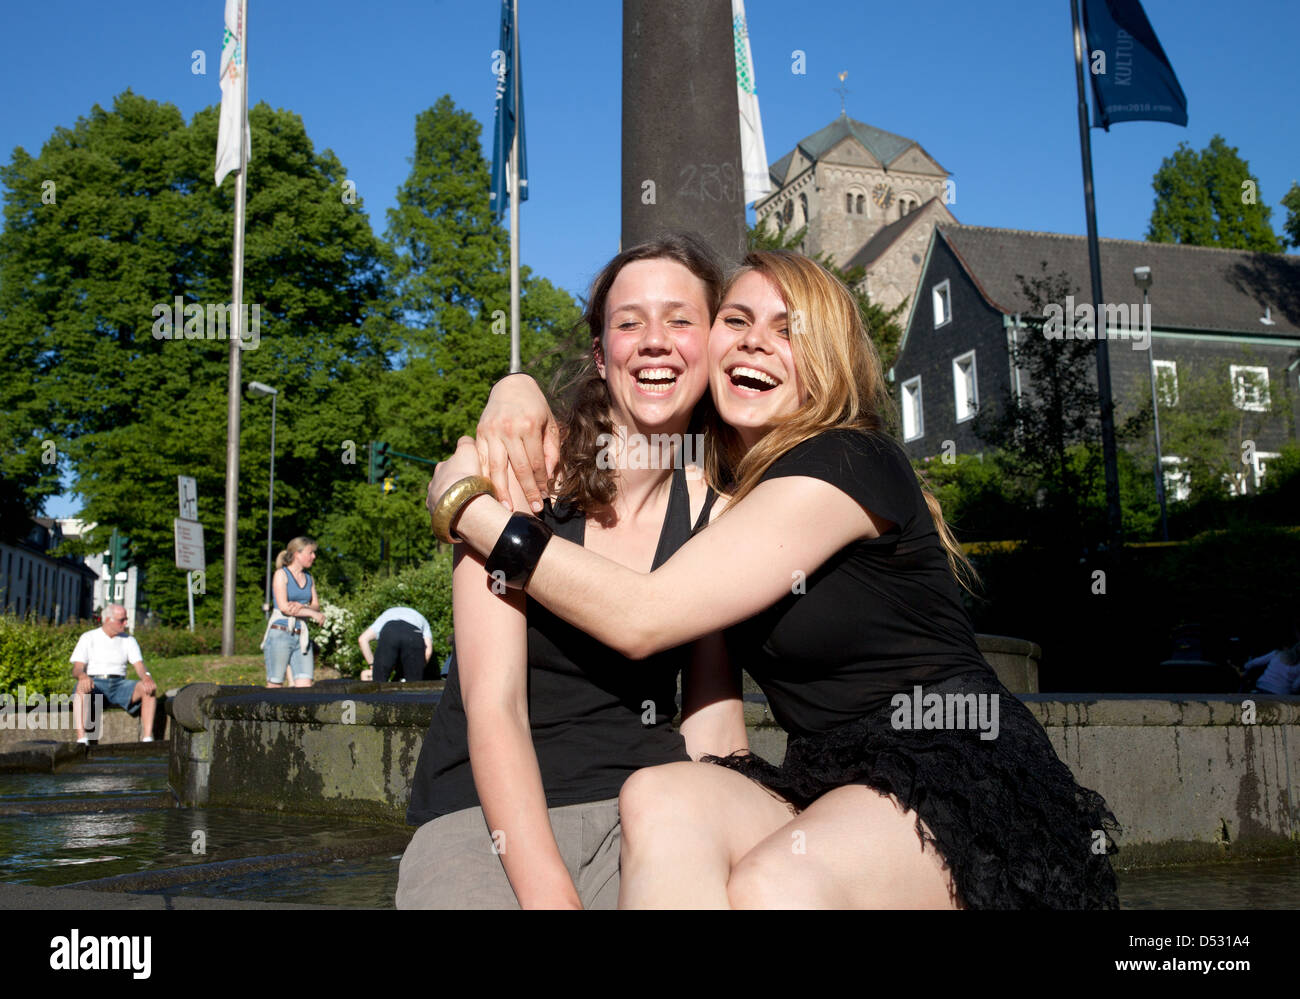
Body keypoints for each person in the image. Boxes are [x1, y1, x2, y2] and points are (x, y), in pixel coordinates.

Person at [428, 250, 1121, 909]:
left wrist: (470, 511)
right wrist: (513, 386)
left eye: (788, 331)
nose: (756, 341)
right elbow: (714, 714)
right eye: (738, 321)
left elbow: (643, 614)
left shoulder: (846, 461)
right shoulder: (724, 497)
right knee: (660, 797)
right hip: (830, 780)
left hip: (949, 772)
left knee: (773, 880)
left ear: (824, 366)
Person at [397, 234, 746, 910]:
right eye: (628, 322)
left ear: (713, 346)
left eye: (680, 319)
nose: (654, 340)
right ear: (599, 354)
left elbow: (711, 718)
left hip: (646, 812)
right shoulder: (512, 476)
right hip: (484, 819)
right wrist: (550, 894)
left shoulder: (719, 514)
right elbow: (494, 707)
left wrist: (736, 828)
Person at [71, 603, 157, 744]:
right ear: (107, 620)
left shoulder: (129, 640)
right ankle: (82, 738)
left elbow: (139, 666)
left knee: (148, 688)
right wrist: (83, 676)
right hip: (95, 683)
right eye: (121, 620)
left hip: (120, 684)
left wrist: (147, 677)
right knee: (81, 687)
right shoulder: (88, 637)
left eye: (125, 619)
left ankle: (147, 738)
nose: (125, 623)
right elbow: (77, 668)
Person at [264, 537, 323, 689]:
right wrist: (311, 613)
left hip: (301, 635)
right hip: (280, 633)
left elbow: (315, 604)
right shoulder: (281, 574)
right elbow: (284, 607)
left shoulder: (309, 578)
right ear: (297, 554)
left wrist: (303, 607)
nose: (314, 557)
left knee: (305, 685)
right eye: (311, 553)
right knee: (275, 683)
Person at [359, 606, 433, 682]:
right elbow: (428, 651)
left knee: (378, 682)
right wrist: (418, 668)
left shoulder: (385, 616)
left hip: (390, 630)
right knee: (414, 684)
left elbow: (362, 640)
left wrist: (373, 665)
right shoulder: (421, 618)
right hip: (413, 632)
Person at [1244, 622, 1300, 695]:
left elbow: (1254, 662)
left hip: (1262, 687)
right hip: (1281, 694)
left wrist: (1245, 668)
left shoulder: (1276, 653)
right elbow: (1295, 687)